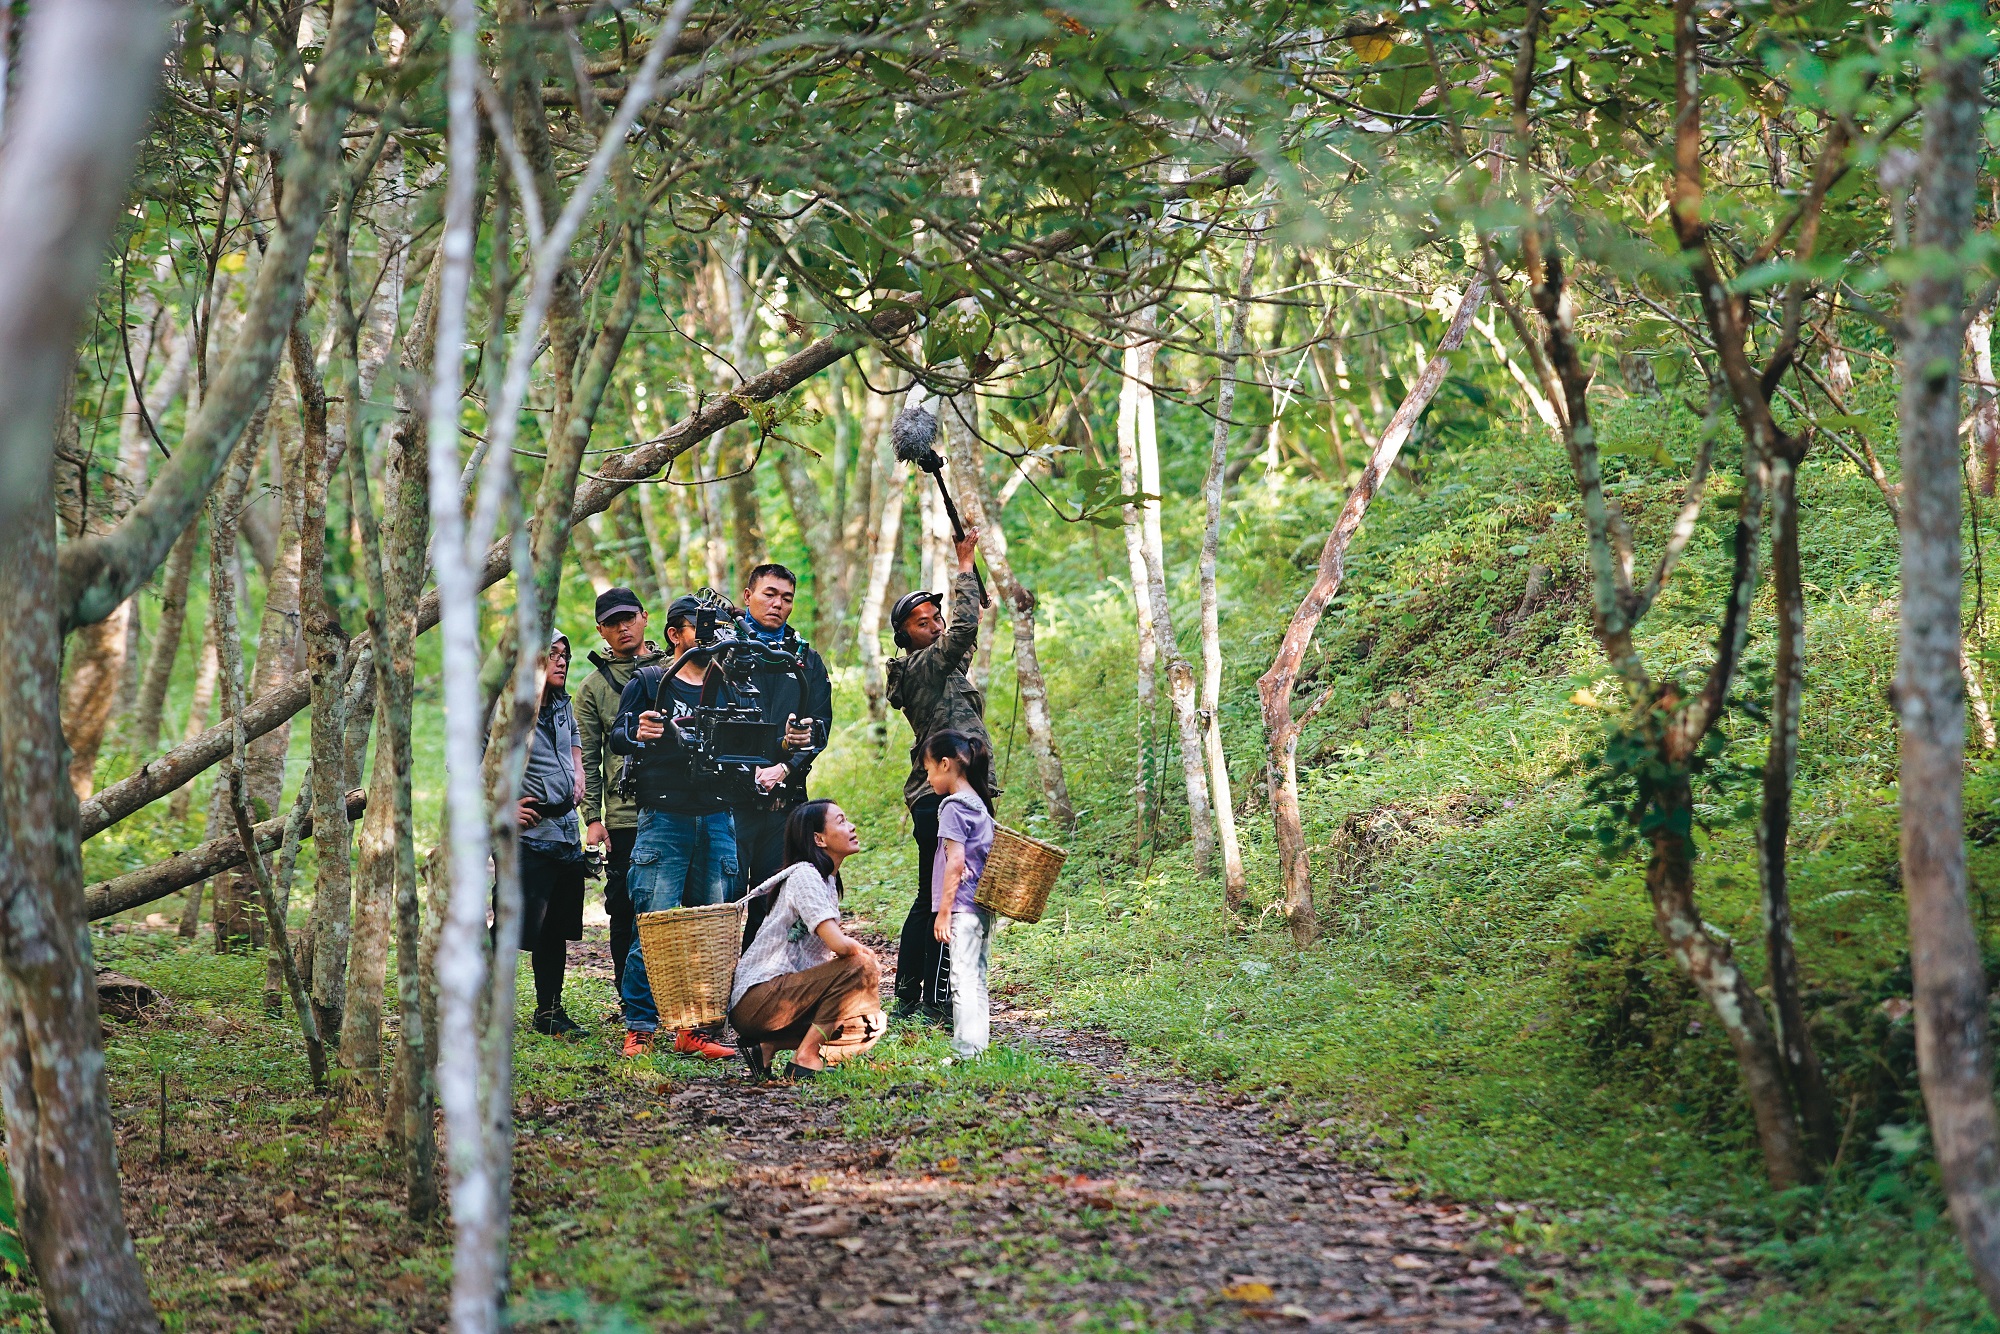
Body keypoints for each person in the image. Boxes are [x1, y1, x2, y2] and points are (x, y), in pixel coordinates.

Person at [607, 595, 747, 1061]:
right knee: (654, 924)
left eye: (719, 628)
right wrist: (639, 733)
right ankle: (641, 1027)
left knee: (711, 926)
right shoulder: (650, 680)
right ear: (674, 634)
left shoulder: (730, 683)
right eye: (699, 628)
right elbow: (619, 735)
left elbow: (753, 741)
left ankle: (698, 1030)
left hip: (717, 814)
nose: (710, 638)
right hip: (663, 815)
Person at [885, 528, 988, 1023]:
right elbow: (963, 633)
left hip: (961, 796)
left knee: (943, 893)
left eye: (935, 618)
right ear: (907, 637)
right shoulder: (923, 666)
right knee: (942, 894)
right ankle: (922, 997)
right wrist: (964, 565)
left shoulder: (946, 669)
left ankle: (924, 995)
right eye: (921, 623)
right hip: (936, 797)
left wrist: (973, 590)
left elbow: (967, 631)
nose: (933, 626)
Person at [729, 799, 885, 1082]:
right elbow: (839, 945)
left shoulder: (825, 880)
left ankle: (769, 1046)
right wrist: (867, 961)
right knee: (861, 966)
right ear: (819, 839)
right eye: (840, 821)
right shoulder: (805, 875)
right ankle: (805, 1056)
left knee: (869, 1024)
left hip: (784, 998)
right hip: (758, 998)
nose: (851, 827)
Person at [575, 586, 666, 1026]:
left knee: (680, 907)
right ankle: (632, 1003)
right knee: (624, 907)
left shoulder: (676, 667)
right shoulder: (592, 688)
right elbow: (586, 757)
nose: (622, 627)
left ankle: (679, 999)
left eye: (629, 617)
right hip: (626, 816)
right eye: (612, 622)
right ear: (601, 630)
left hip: (678, 807)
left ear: (645, 617)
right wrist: (593, 818)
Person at [731, 564, 832, 894]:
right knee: (724, 898)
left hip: (785, 800)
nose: (778, 604)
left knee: (771, 898)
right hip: (729, 799)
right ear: (748, 596)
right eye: (769, 594)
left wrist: (786, 767)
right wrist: (749, 772)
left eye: (787, 598)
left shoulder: (806, 658)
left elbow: (820, 725)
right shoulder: (725, 651)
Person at [515, 633, 589, 1039]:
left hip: (565, 833)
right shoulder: (509, 708)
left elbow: (574, 738)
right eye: (552, 656)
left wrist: (577, 770)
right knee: (514, 928)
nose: (561, 663)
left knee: (554, 930)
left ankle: (549, 1010)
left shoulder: (562, 703)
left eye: (565, 655)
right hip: (527, 836)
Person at [923, 730, 998, 1060]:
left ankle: (966, 1052)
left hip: (962, 907)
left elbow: (955, 862)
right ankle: (976, 1049)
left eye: (928, 770)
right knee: (976, 978)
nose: (928, 779)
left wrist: (943, 911)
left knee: (962, 979)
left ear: (944, 764)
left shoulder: (953, 807)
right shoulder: (979, 803)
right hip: (980, 905)